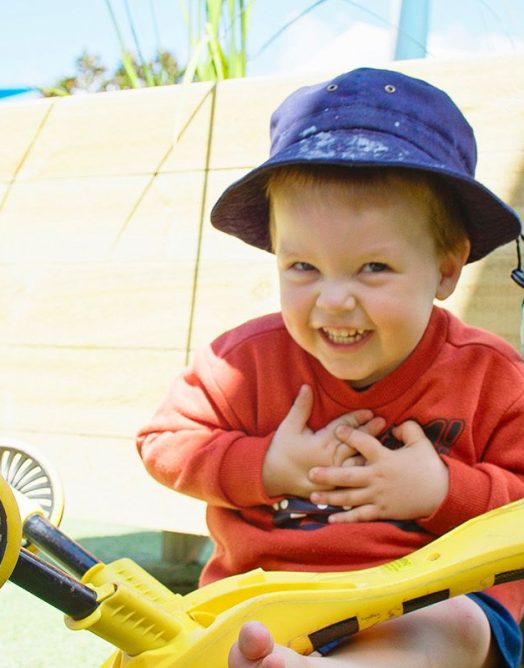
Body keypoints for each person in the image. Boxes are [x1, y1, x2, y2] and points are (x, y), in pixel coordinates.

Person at [136, 67, 524, 667]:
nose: (333, 300)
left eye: (373, 268)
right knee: (210, 640)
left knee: (451, 622)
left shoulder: (492, 377)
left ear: (447, 269)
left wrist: (445, 491)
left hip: (423, 599)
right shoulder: (242, 362)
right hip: (264, 598)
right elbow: (163, 441)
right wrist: (265, 465)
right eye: (302, 268)